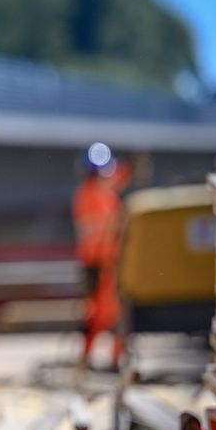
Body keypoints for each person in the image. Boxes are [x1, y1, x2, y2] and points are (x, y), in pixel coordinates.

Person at [71, 142, 130, 369]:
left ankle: (105, 358)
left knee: (107, 312)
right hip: (99, 262)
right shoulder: (96, 195)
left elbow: (118, 176)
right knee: (102, 313)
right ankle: (92, 357)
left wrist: (129, 163)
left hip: (101, 261)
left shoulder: (91, 193)